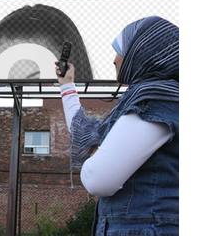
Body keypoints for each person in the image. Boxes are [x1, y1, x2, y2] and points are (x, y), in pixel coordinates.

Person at [55, 16, 179, 235]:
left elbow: (98, 179)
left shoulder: (156, 96)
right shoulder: (160, 96)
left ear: (143, 50)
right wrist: (67, 85)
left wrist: (95, 153)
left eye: (121, 50)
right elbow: (85, 133)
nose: (114, 59)